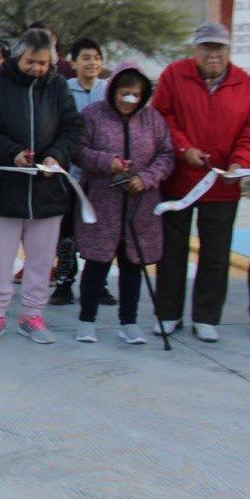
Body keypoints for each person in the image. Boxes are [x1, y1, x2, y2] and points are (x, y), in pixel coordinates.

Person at [152, 22, 250, 342]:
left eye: (219, 48)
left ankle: (206, 316)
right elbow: (162, 117)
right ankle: (168, 313)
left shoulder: (247, 85)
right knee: (172, 251)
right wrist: (183, 148)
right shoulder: (174, 75)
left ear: (229, 51)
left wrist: (241, 162)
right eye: (206, 47)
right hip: (179, 181)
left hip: (222, 185)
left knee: (215, 253)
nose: (213, 54)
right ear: (195, 49)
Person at [0, 29, 82, 344]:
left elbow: (72, 128)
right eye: (31, 62)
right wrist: (12, 152)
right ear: (17, 57)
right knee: (1, 258)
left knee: (41, 258)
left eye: (43, 62)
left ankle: (33, 314)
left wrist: (55, 157)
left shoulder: (59, 87)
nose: (37, 68)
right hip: (4, 189)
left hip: (48, 193)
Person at [72, 66, 174, 344]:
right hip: (102, 201)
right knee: (96, 264)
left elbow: (166, 155)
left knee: (133, 264)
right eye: (123, 93)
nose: (128, 100)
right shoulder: (93, 115)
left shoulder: (153, 120)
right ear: (113, 90)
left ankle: (128, 322)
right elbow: (78, 150)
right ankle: (86, 320)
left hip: (139, 204)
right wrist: (107, 162)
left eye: (134, 95)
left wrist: (147, 178)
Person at [50, 36, 112, 307]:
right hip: (68, 174)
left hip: (100, 176)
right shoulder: (63, 90)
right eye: (86, 58)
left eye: (97, 58)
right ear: (73, 63)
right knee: (66, 233)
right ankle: (64, 282)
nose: (92, 63)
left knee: (100, 231)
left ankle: (98, 283)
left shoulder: (109, 91)